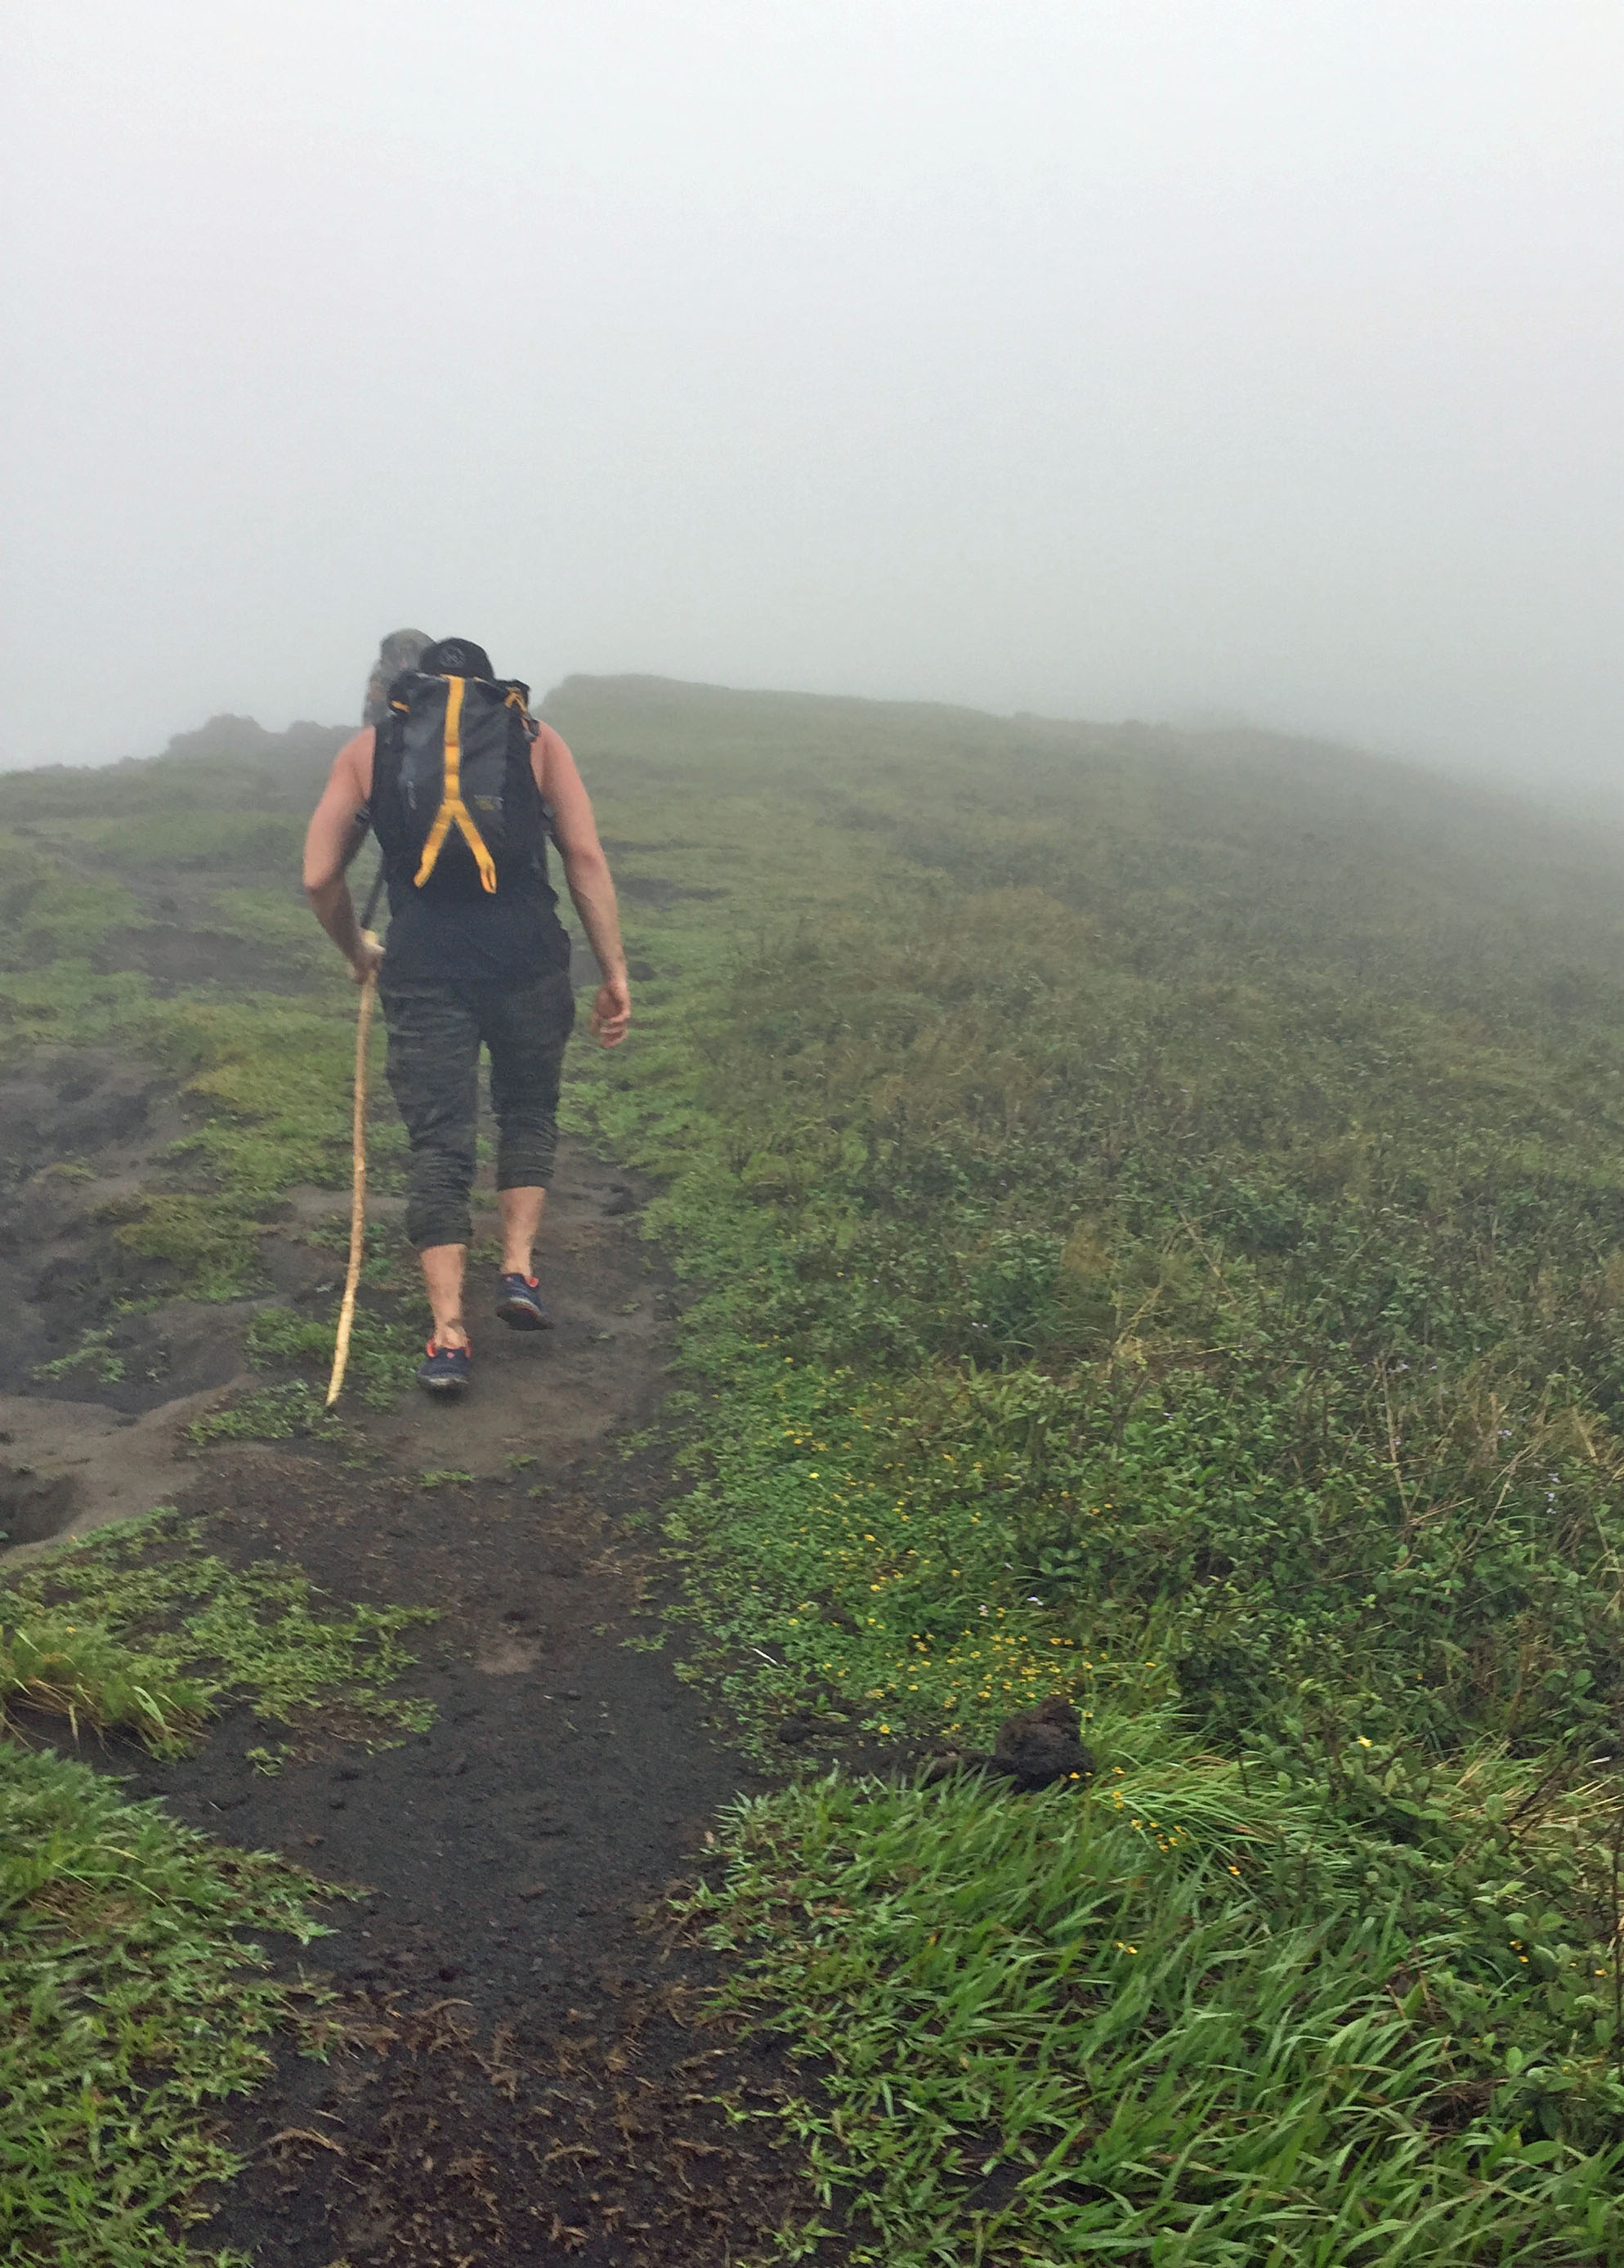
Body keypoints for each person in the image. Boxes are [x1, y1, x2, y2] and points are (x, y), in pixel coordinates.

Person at [302, 635, 631, 1393]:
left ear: (411, 694)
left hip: (422, 967)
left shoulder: (369, 749)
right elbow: (583, 857)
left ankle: (447, 1335)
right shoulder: (537, 741)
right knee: (526, 1112)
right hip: (527, 958)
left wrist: (357, 948)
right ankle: (517, 1270)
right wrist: (613, 971)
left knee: (439, 1146)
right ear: (494, 695)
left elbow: (320, 874)